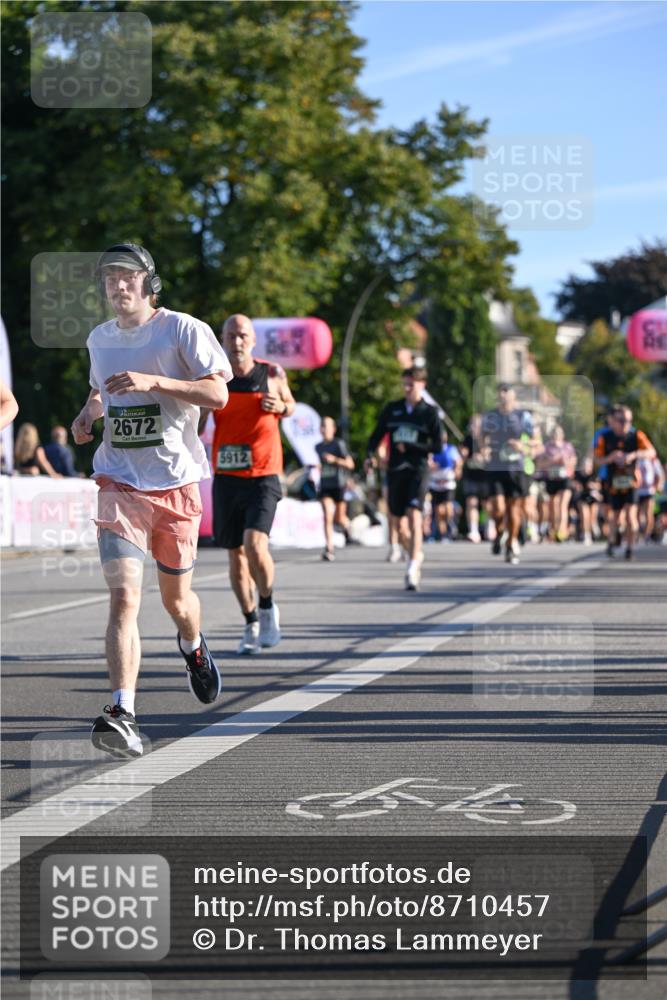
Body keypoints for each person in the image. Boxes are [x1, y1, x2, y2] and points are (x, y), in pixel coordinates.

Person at [71, 242, 231, 757]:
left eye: (127, 277)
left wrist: (154, 381)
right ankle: (122, 711)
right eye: (109, 278)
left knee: (177, 603)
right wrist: (89, 413)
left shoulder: (183, 330)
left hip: (176, 485)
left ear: (148, 283)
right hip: (119, 482)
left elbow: (217, 395)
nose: (117, 285)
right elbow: (101, 390)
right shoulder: (99, 339)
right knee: (124, 597)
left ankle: (194, 647)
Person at [205, 313, 295, 656]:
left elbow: (290, 404)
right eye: (230, 336)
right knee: (236, 556)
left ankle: (269, 607)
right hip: (227, 476)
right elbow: (199, 417)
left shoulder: (271, 373)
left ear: (253, 340)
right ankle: (250, 622)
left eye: (242, 335)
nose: (236, 341)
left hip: (263, 474)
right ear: (222, 340)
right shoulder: (215, 377)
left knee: (255, 545)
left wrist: (282, 406)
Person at [365, 365, 443, 591]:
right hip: (396, 469)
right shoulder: (393, 409)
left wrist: (413, 446)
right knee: (398, 524)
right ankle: (415, 554)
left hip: (418, 468)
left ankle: (411, 568)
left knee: (414, 515)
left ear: (422, 385)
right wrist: (370, 455)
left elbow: (438, 445)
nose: (407, 388)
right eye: (405, 384)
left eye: (412, 384)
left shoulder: (429, 413)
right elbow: (375, 436)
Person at [482, 383, 539, 565]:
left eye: (507, 393)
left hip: (517, 468)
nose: (504, 396)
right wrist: (483, 449)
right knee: (498, 508)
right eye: (501, 393)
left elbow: (537, 441)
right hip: (496, 466)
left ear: (514, 396)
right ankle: (499, 531)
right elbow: (481, 437)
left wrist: (523, 445)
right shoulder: (491, 416)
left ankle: (510, 543)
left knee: (515, 510)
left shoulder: (523, 416)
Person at [594, 405, 656, 560]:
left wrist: (633, 455)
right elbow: (596, 459)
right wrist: (611, 457)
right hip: (613, 483)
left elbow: (651, 452)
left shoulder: (636, 436)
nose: (625, 424)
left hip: (631, 482)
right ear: (613, 421)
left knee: (630, 516)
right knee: (614, 516)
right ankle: (611, 542)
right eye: (621, 420)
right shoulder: (605, 437)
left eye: (628, 420)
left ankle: (630, 548)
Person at [315, 416, 354, 561]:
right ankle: (329, 547)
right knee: (327, 514)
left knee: (339, 518)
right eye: (322, 426)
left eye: (327, 426)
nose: (324, 429)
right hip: (325, 485)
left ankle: (347, 527)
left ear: (333, 429)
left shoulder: (338, 444)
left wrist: (335, 460)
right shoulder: (318, 447)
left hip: (339, 485)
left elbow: (350, 464)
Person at [536, 425, 577, 542]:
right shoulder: (547, 447)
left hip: (564, 478)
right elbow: (539, 464)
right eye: (554, 432)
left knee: (563, 505)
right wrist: (552, 460)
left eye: (558, 433)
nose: (556, 435)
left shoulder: (567, 446)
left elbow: (573, 461)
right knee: (553, 505)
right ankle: (553, 530)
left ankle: (562, 530)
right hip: (551, 478)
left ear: (562, 434)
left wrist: (565, 462)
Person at [428, 431, 462, 541]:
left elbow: (458, 462)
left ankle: (450, 523)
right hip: (436, 483)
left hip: (448, 483)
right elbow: (428, 463)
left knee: (447, 508)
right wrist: (433, 466)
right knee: (438, 511)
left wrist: (457, 470)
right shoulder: (432, 450)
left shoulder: (452, 449)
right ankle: (443, 535)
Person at [637, 454, 664, 541]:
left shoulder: (653, 459)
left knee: (648, 513)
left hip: (649, 491)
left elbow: (660, 474)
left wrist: (657, 486)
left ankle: (647, 534)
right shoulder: (636, 457)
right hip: (637, 491)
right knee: (638, 514)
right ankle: (639, 533)